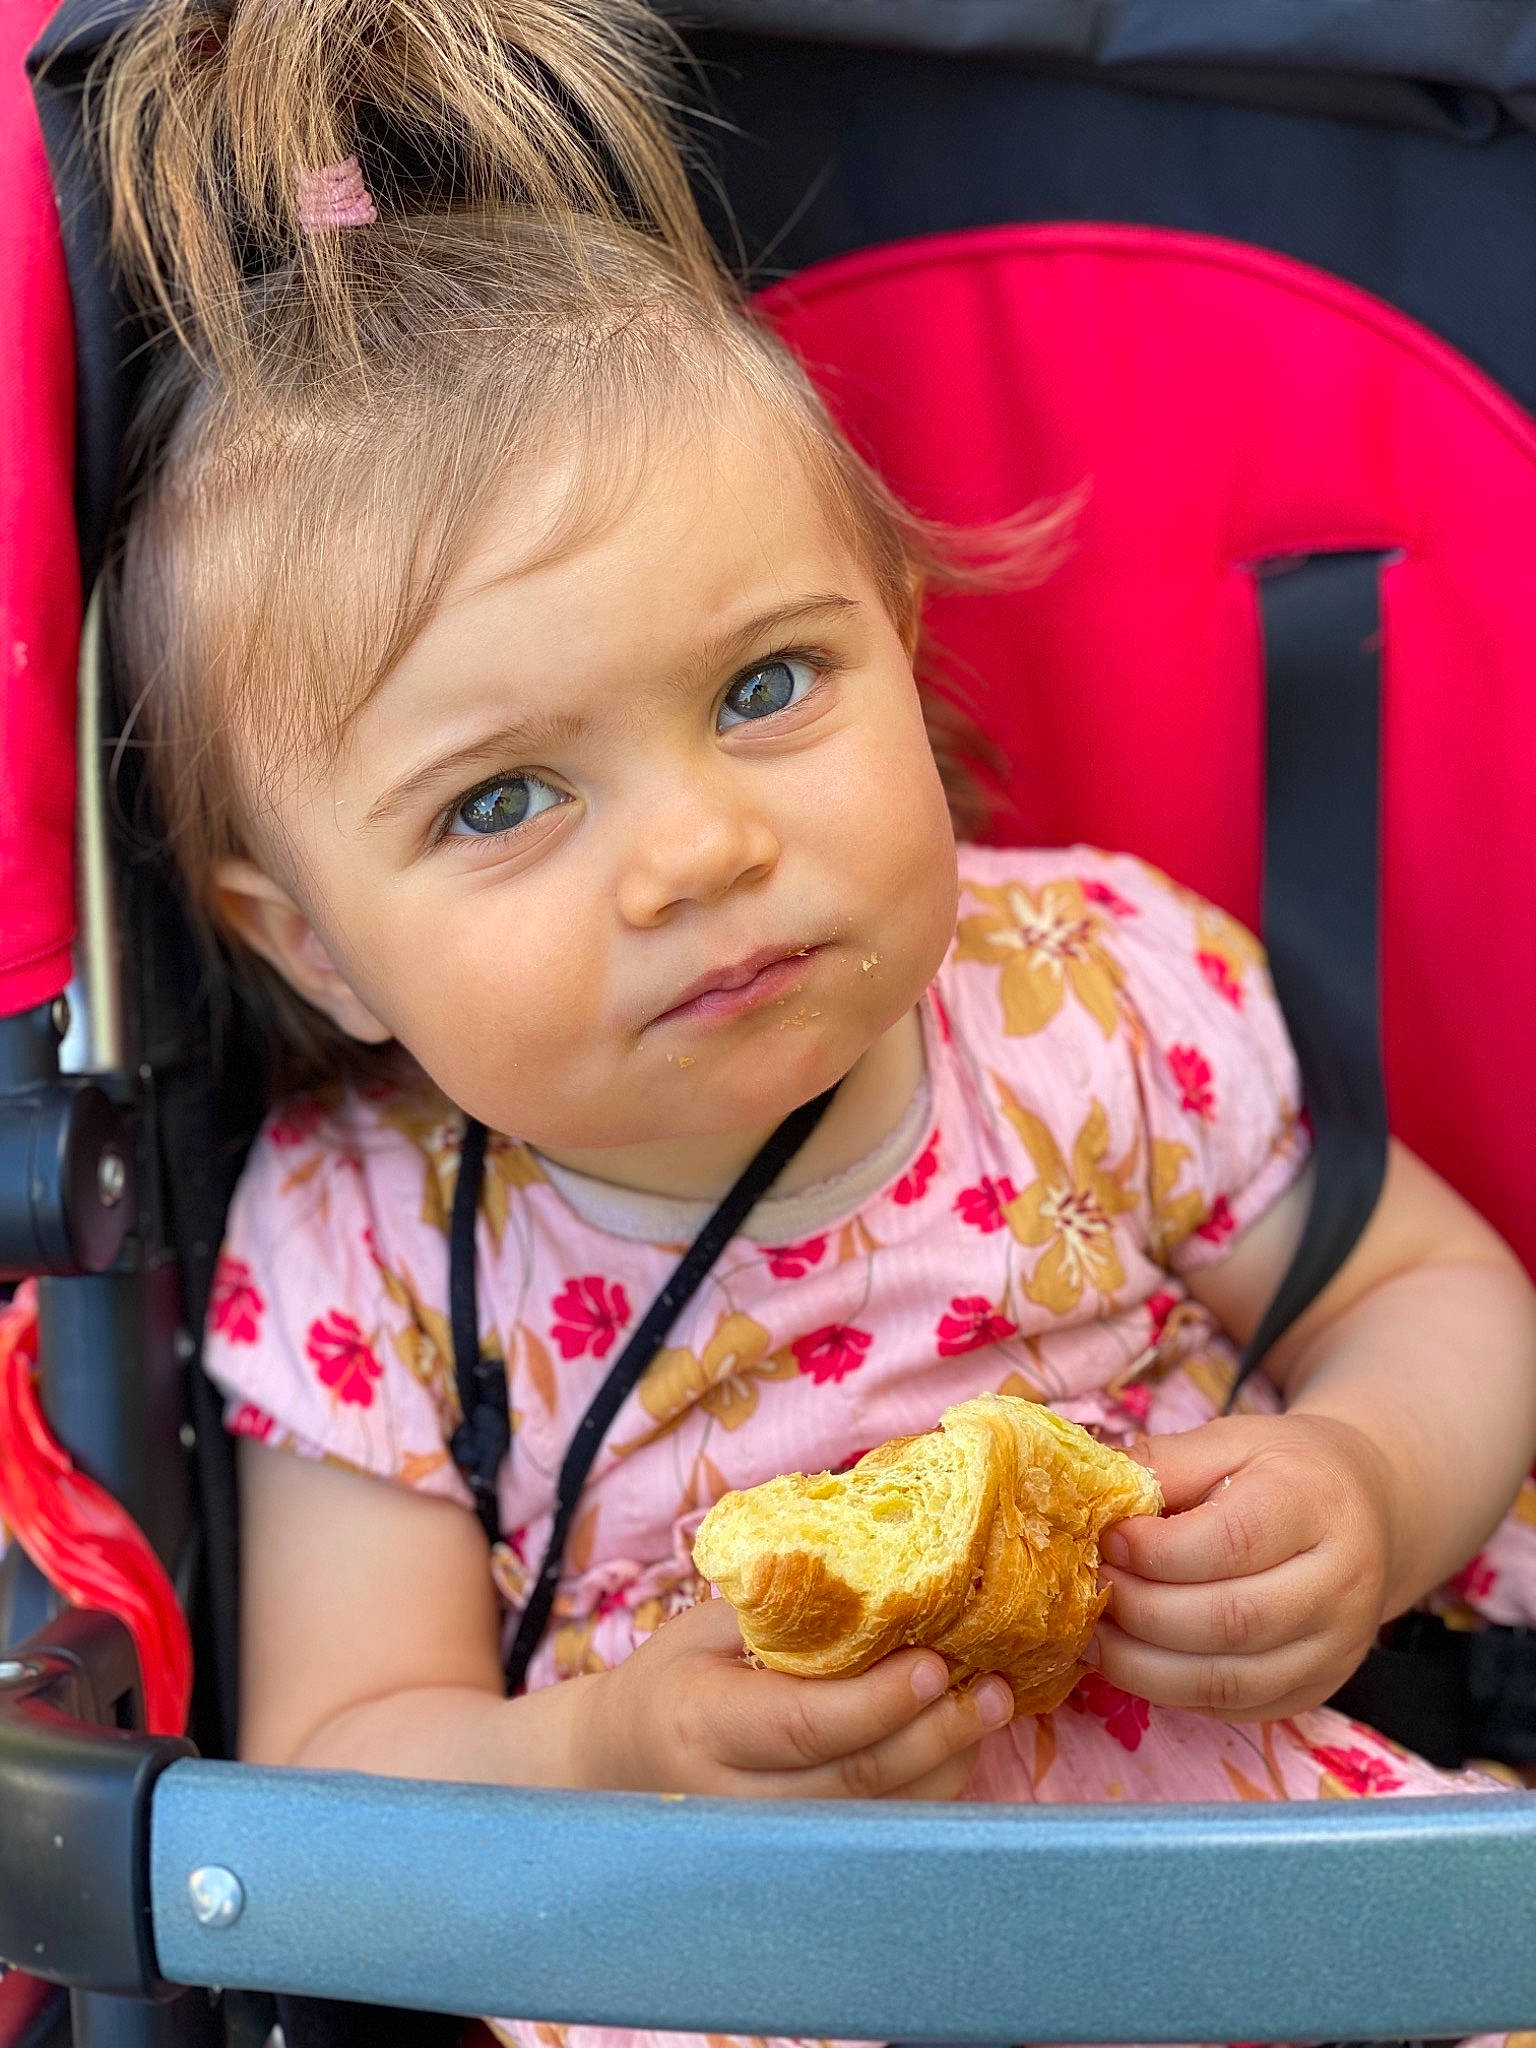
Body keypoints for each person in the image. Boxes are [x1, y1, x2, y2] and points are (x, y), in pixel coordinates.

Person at [95, 4, 1536, 2046]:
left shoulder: (1088, 999)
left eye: (767, 687)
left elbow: (1443, 1297)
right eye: (504, 799)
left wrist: (1371, 1478)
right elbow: (334, 1759)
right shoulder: (374, 1244)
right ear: (314, 943)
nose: (696, 849)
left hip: (1243, 1904)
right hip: (724, 1961)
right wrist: (608, 1754)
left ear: (903, 632)